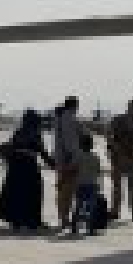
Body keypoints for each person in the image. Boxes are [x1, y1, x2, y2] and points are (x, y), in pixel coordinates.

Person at [0, 109, 54, 232]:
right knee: (33, 193)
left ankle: (16, 220)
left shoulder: (19, 132)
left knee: (16, 193)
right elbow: (41, 151)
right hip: (29, 167)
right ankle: (32, 221)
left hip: (15, 167)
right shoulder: (35, 133)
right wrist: (54, 164)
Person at [62, 131, 106, 237]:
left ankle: (74, 227)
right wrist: (100, 185)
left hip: (81, 184)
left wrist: (63, 178)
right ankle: (90, 228)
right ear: (91, 145)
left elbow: (71, 169)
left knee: (78, 205)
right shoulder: (95, 157)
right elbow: (98, 172)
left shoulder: (78, 156)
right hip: (93, 185)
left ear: (81, 145)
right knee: (91, 207)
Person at [52, 97, 86, 230]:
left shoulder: (58, 118)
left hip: (60, 159)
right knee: (69, 191)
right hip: (70, 160)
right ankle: (66, 219)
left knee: (61, 190)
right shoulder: (71, 119)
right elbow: (71, 142)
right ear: (74, 105)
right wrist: (75, 159)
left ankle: (63, 218)